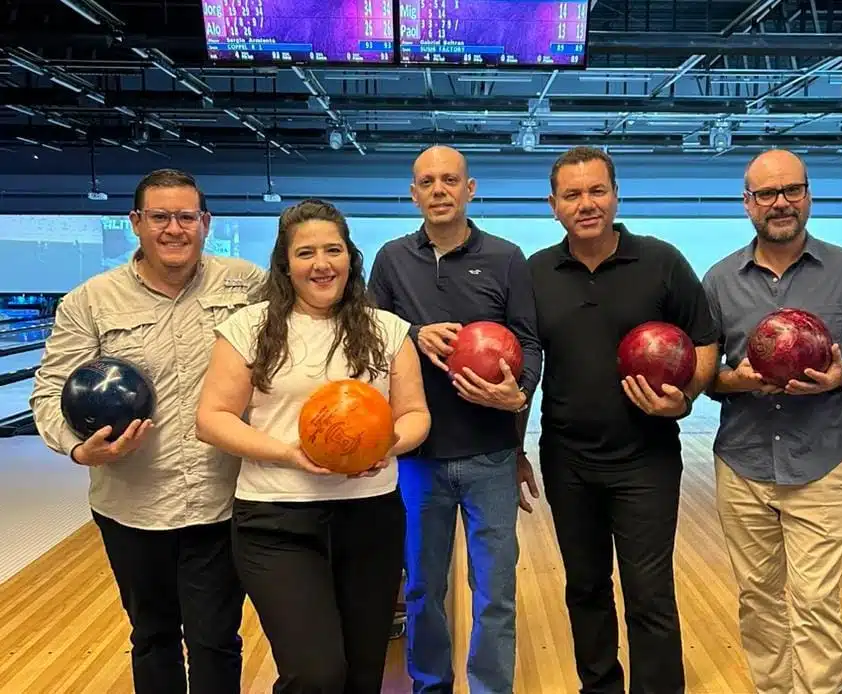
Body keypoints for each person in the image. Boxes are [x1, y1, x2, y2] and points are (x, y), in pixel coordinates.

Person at [29, 168, 266, 694]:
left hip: (219, 499)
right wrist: (77, 448)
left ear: (205, 223)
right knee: (153, 636)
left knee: (216, 639)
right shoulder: (90, 300)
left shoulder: (246, 284)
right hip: (131, 505)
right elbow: (48, 392)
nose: (173, 229)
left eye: (186, 217)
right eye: (160, 217)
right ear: (136, 223)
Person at [195, 199, 431, 694]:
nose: (321, 263)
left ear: (350, 258)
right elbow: (211, 419)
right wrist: (287, 453)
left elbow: (415, 415)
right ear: (285, 264)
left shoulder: (387, 329)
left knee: (363, 676)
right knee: (317, 675)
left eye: (333, 250)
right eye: (306, 253)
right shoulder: (249, 328)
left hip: (370, 519)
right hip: (276, 521)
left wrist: (387, 447)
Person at [701, 149, 842, 694]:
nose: (780, 203)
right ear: (748, 204)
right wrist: (733, 380)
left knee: (815, 602)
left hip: (821, 461)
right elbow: (705, 375)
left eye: (791, 190)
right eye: (766, 194)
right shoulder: (719, 280)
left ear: (808, 195)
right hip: (743, 462)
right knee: (758, 600)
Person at [525, 145, 719, 694]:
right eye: (573, 195)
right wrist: (513, 448)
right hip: (567, 459)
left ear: (614, 195)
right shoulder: (536, 272)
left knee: (648, 592)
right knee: (585, 587)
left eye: (596, 191)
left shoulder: (661, 261)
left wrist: (685, 398)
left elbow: (705, 341)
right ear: (553, 205)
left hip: (647, 457)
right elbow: (523, 364)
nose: (586, 203)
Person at [368, 145, 542, 694]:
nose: (439, 189)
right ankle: (430, 686)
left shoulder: (507, 256)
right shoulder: (392, 259)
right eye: (427, 181)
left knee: (495, 592)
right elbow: (373, 339)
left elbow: (530, 343)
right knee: (422, 589)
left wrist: (516, 397)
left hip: (490, 454)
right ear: (414, 193)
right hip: (419, 459)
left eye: (450, 180)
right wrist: (414, 336)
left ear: (470, 190)